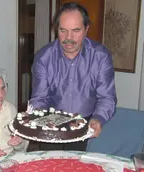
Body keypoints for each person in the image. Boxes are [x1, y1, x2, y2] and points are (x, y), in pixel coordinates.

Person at [29, 2, 117, 151]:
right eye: (63, 30)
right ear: (56, 28)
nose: (68, 38)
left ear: (86, 29)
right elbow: (39, 99)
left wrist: (98, 119)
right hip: (51, 123)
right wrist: (44, 121)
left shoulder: (100, 56)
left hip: (86, 124)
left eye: (76, 30)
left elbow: (106, 97)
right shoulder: (43, 58)